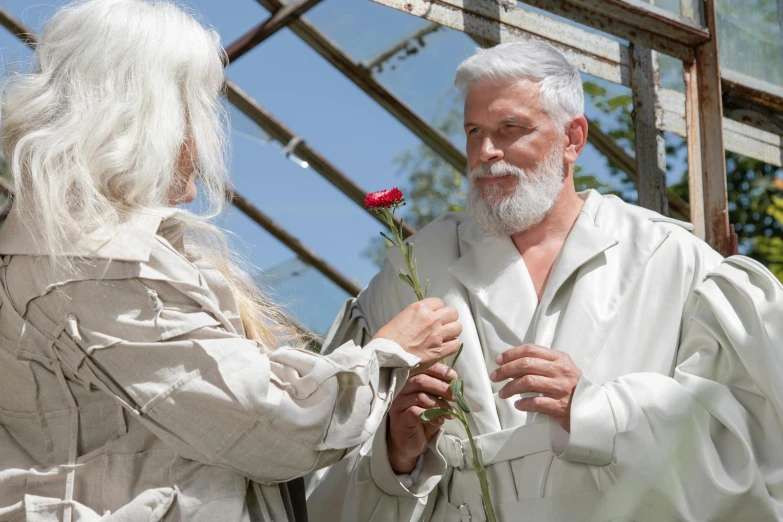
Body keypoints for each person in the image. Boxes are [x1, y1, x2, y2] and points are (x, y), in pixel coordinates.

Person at [0, 1, 463, 521]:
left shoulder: (61, 246)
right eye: (195, 113)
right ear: (142, 119)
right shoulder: (95, 263)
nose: (201, 143)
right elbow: (270, 425)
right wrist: (386, 353)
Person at [308, 41, 783, 521]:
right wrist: (398, 452)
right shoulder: (412, 271)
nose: (486, 153)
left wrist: (601, 410)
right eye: (474, 131)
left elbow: (751, 439)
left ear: (572, 138)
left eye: (510, 129)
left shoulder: (672, 261)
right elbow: (326, 452)